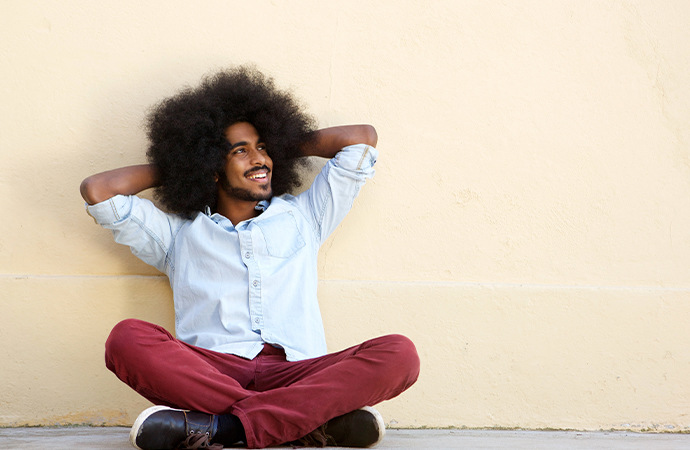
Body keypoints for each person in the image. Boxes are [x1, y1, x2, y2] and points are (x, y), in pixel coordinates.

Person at [80, 66, 420, 450]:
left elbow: (361, 139)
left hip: (298, 373)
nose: (259, 159)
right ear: (211, 167)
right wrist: (186, 163)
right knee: (127, 339)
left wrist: (278, 144)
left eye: (263, 147)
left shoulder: (305, 216)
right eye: (240, 151)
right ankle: (309, 422)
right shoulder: (178, 235)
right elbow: (98, 190)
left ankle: (224, 429)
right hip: (212, 372)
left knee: (399, 354)